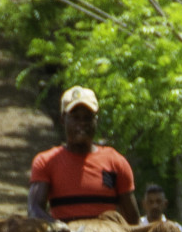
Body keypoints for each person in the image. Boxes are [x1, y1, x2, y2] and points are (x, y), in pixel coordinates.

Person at [27, 86, 139, 224]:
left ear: (96, 120)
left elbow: (133, 220)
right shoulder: (46, 161)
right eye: (75, 118)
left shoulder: (115, 162)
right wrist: (59, 228)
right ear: (63, 119)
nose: (82, 124)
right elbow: (34, 209)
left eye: (87, 118)